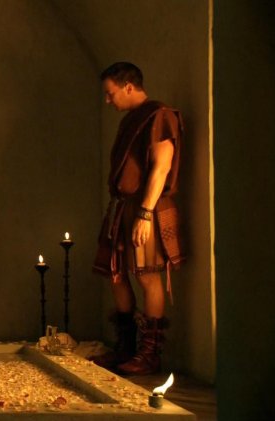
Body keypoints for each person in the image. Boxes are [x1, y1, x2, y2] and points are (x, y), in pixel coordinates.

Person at [92, 62, 186, 376]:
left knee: (147, 275)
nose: (108, 100)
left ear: (128, 87)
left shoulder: (159, 115)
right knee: (116, 273)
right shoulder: (130, 119)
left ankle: (149, 355)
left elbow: (161, 167)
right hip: (123, 204)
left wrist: (145, 213)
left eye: (111, 93)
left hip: (147, 206)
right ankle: (125, 348)